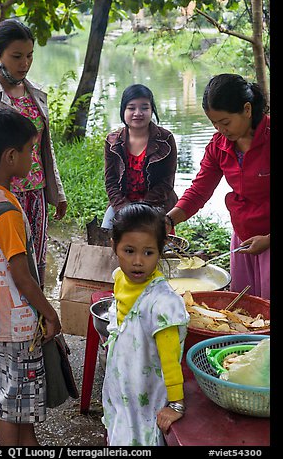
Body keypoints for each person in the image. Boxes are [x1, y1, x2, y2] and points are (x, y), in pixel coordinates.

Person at [0, 106, 62, 446]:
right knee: (11, 404)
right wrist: (50, 313)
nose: (32, 157)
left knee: (18, 398)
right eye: (29, 150)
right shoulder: (6, 210)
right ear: (11, 156)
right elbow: (21, 276)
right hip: (18, 324)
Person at [0, 18, 67, 289]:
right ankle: (5, 326)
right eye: (16, 56)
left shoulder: (34, 91)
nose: (24, 63)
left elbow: (44, 148)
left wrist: (57, 191)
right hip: (0, 195)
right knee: (4, 267)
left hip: (35, 192)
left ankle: (37, 321)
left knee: (35, 260)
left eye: (29, 56)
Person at [166, 73, 270, 299]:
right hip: (243, 238)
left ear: (247, 110)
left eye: (225, 122)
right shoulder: (219, 146)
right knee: (245, 306)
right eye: (213, 123)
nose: (220, 129)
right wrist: (168, 221)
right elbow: (199, 191)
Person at [102, 202, 190, 446]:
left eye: (148, 252)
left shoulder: (162, 304)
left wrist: (176, 405)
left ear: (160, 251)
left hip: (147, 399)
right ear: (114, 247)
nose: (138, 261)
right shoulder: (120, 278)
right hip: (122, 389)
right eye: (129, 251)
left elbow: (170, 362)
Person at [101, 84, 178, 229]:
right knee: (105, 237)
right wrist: (124, 209)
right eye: (131, 108)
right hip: (122, 204)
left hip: (157, 204)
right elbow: (110, 182)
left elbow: (167, 182)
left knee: (159, 245)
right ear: (123, 110)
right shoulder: (112, 141)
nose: (138, 113)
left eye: (144, 107)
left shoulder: (166, 139)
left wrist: (142, 208)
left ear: (152, 110)